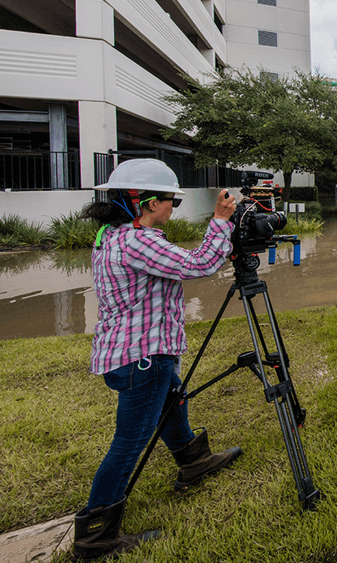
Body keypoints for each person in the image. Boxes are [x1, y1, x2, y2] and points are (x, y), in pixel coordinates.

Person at [73, 159, 242, 560]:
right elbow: (199, 264)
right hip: (142, 357)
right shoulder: (139, 242)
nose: (172, 208)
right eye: (172, 201)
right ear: (149, 203)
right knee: (129, 443)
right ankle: (95, 536)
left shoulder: (110, 235)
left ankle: (194, 461)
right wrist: (221, 221)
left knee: (172, 401)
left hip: (129, 351)